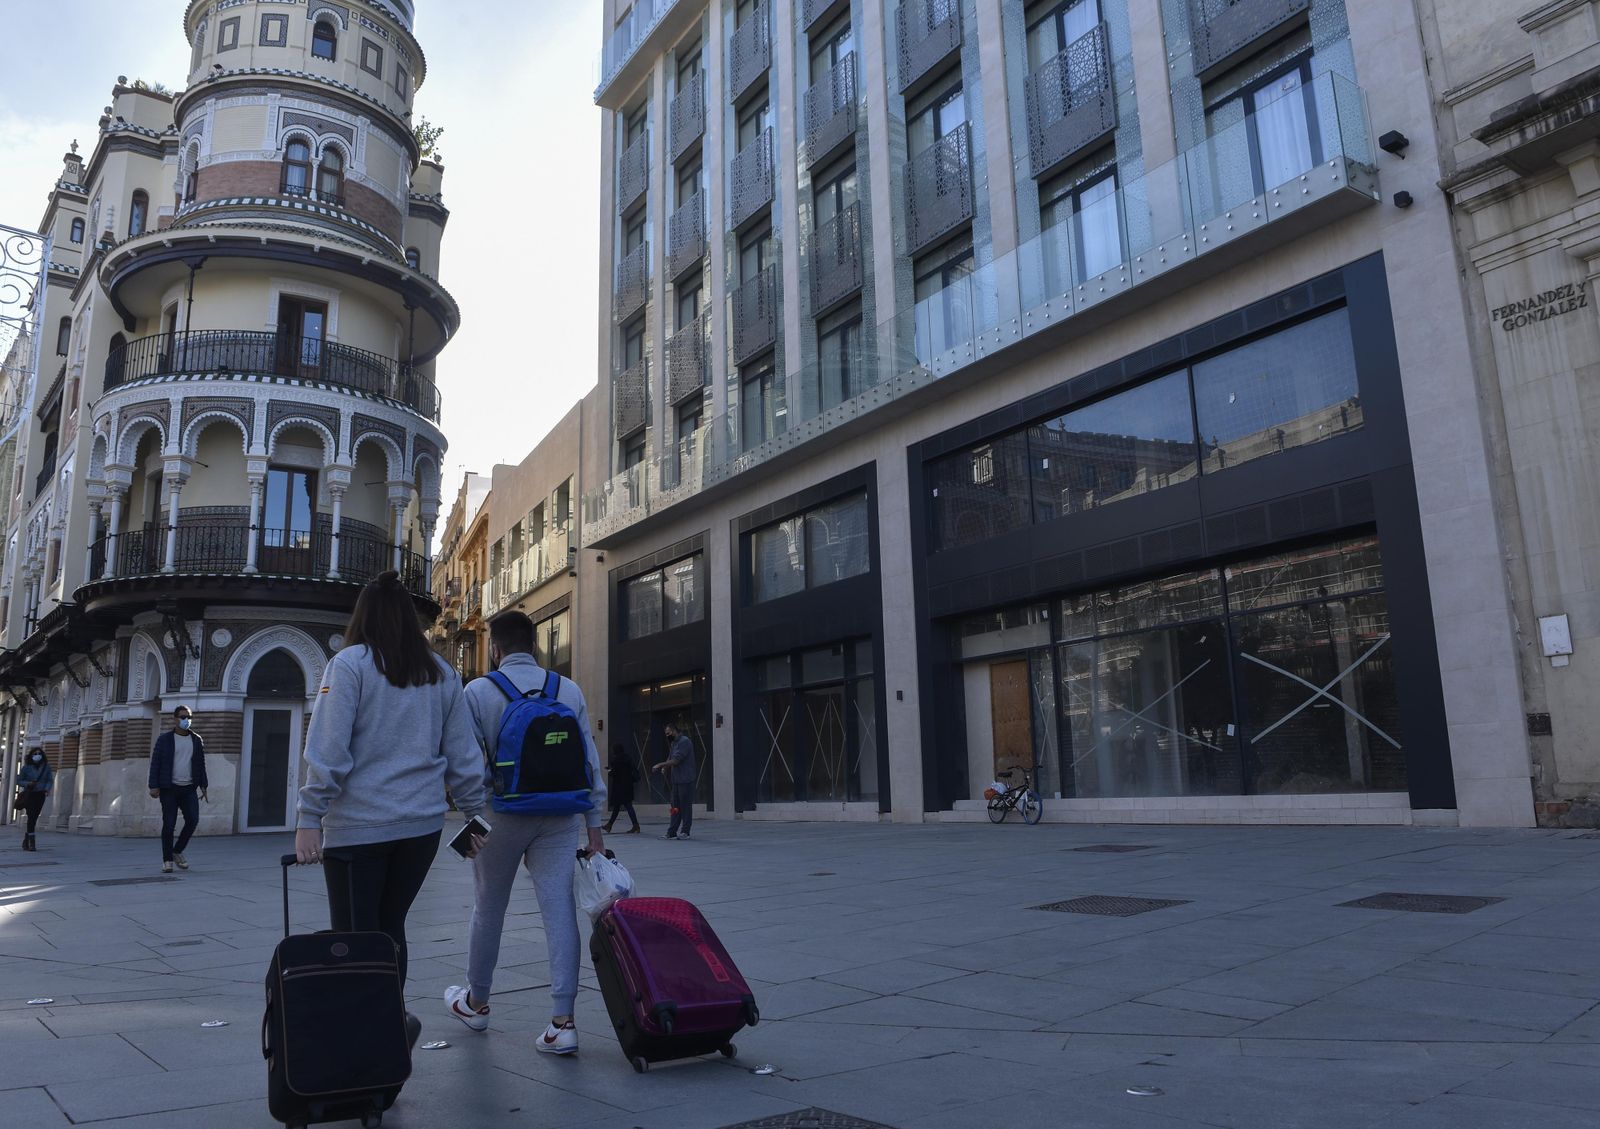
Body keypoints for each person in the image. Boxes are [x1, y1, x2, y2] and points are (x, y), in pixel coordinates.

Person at [295, 570, 488, 1051]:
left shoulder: (349, 665)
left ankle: (372, 1036)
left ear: (362, 617)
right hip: (420, 829)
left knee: (355, 935)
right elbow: (464, 753)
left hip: (358, 828)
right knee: (390, 926)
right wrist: (475, 813)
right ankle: (388, 1021)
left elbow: (328, 747)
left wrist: (309, 816)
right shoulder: (440, 673)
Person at [444, 610, 605, 1056]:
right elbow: (589, 760)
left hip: (500, 814)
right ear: (534, 646)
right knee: (559, 909)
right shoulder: (567, 688)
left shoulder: (479, 691)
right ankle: (563, 1022)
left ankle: (477, 1003)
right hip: (561, 815)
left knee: (488, 907)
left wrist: (473, 816)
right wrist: (594, 825)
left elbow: (467, 764)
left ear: (495, 649)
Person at [148, 706, 208, 873]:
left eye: (189, 717)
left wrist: (204, 785)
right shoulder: (164, 740)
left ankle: (177, 851)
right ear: (175, 719)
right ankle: (167, 860)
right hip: (169, 788)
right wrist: (153, 785)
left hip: (189, 788)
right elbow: (156, 763)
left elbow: (200, 764)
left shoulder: (196, 740)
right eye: (182, 717)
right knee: (169, 824)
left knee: (193, 820)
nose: (186, 720)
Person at [652, 722, 696, 840]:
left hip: (685, 779)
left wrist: (660, 765)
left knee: (685, 806)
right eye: (666, 734)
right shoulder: (673, 743)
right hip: (676, 780)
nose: (667, 736)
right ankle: (671, 831)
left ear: (674, 730)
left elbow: (676, 760)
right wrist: (665, 767)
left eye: (668, 733)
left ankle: (685, 832)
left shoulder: (684, 742)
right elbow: (670, 757)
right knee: (674, 807)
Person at [15, 747, 53, 851]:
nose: (37, 755)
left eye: (39, 753)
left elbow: (49, 780)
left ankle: (27, 839)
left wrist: (47, 789)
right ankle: (32, 842)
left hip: (40, 794)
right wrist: (28, 784)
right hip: (30, 794)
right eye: (35, 753)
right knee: (31, 816)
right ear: (31, 755)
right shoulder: (26, 768)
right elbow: (19, 780)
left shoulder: (46, 767)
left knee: (35, 816)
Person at [602, 742, 640, 834]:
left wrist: (609, 770)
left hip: (619, 787)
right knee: (622, 806)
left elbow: (614, 773)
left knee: (625, 806)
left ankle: (635, 825)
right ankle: (609, 825)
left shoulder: (616, 760)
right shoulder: (628, 758)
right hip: (628, 785)